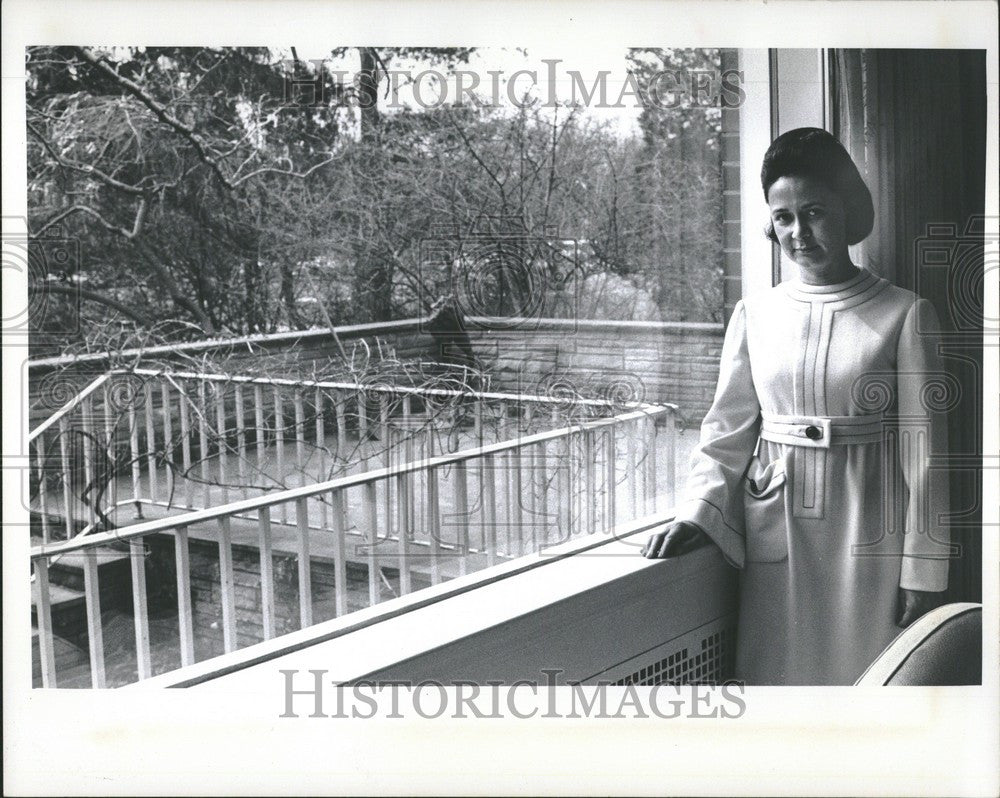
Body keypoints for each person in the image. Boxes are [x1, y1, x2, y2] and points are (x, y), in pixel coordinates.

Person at [641, 127, 952, 686]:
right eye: (783, 218)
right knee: (776, 677)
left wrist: (923, 569)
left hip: (869, 525)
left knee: (864, 682)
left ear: (850, 210)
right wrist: (698, 511)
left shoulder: (904, 313)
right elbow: (726, 430)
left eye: (814, 213)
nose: (798, 232)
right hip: (778, 520)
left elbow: (925, 455)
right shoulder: (755, 314)